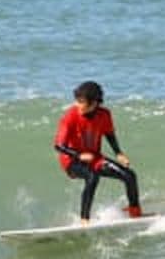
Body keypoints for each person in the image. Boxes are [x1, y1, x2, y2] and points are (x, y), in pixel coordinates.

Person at [54, 81, 142, 224]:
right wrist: (79, 155)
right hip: (71, 161)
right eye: (77, 100)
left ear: (94, 103)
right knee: (92, 176)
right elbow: (58, 146)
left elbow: (109, 134)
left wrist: (118, 153)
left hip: (95, 158)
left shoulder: (104, 114)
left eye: (81, 102)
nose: (78, 104)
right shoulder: (70, 116)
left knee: (129, 175)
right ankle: (84, 219)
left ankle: (135, 212)